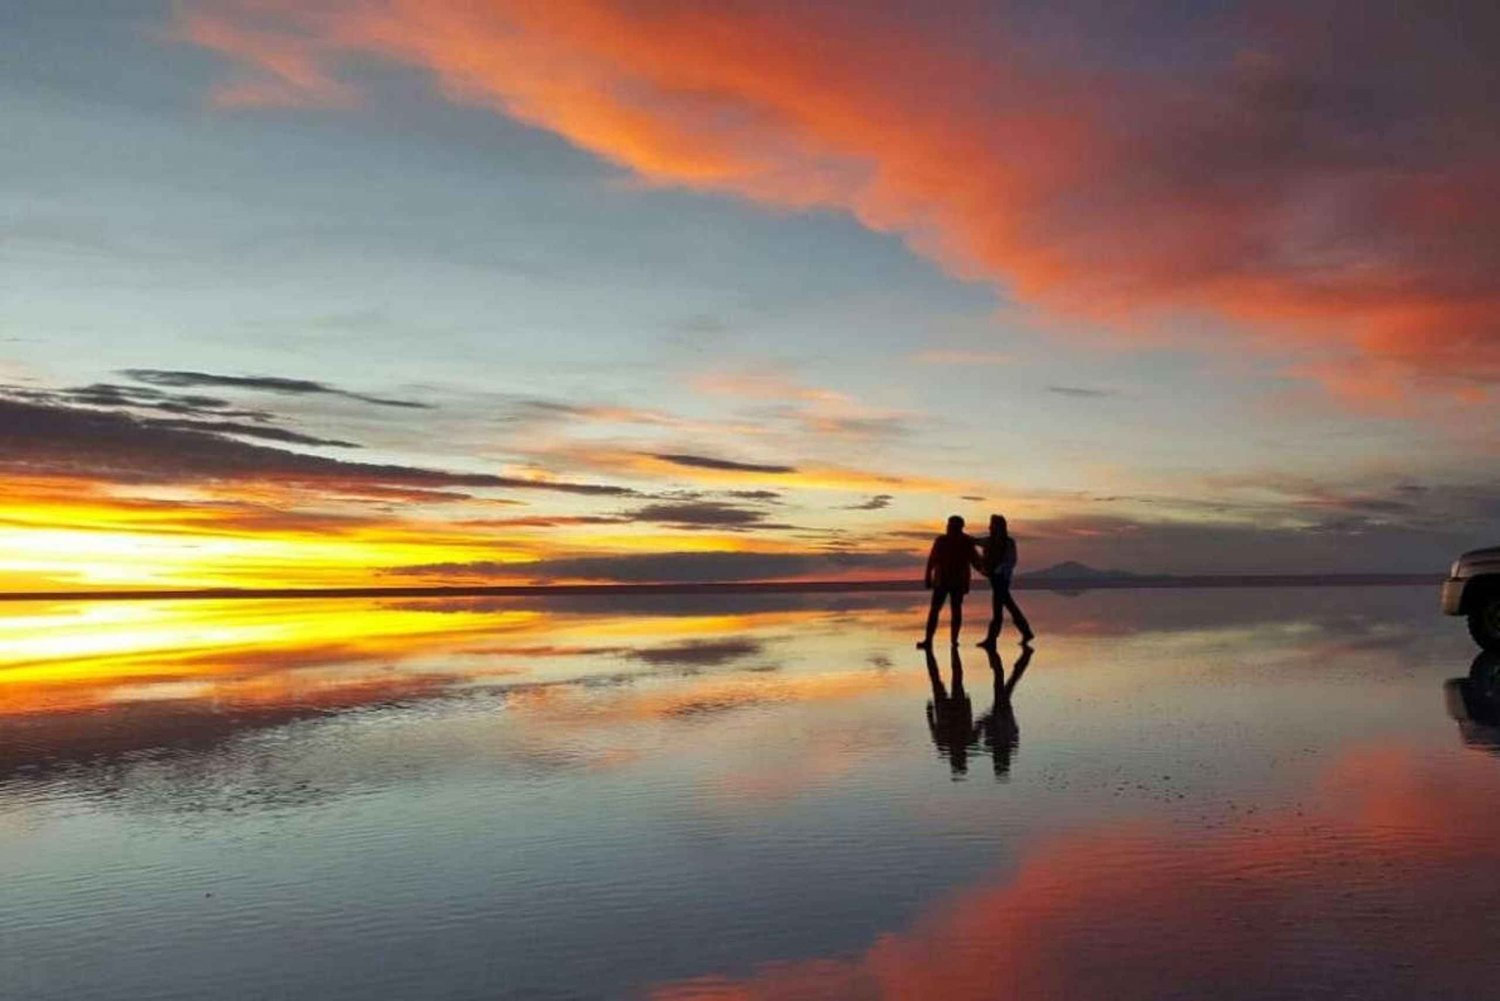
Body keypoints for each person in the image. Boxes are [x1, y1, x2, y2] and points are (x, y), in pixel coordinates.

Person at [920, 514, 982, 649]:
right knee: (937, 610)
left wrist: (988, 571)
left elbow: (975, 561)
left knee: (954, 610)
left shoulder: (966, 541)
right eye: (949, 525)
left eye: (952, 525)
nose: (949, 527)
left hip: (957, 581)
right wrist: (928, 576)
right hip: (942, 580)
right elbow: (932, 560)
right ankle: (929, 640)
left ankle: (953, 640)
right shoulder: (942, 540)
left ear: (959, 527)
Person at [978, 514, 1034, 646]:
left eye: (992, 525)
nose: (990, 527)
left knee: (999, 610)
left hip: (1001, 579)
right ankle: (1026, 632)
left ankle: (992, 640)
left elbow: (1011, 561)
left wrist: (998, 570)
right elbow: (974, 541)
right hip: (995, 579)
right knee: (1008, 606)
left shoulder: (1008, 543)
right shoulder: (989, 541)